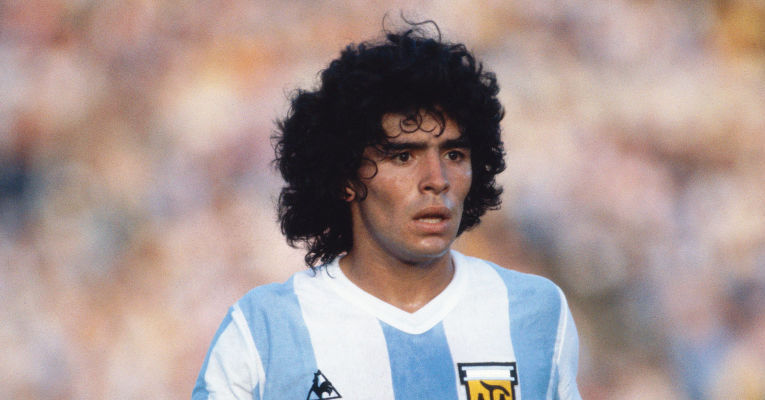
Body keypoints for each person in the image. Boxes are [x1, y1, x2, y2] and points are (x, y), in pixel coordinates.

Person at [193, 21, 581, 400]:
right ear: (345, 177)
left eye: (454, 154)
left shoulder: (537, 313)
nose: (437, 179)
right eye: (403, 156)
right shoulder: (262, 332)